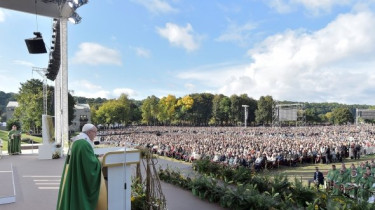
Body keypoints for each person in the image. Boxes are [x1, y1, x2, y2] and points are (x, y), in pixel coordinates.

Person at [57, 123, 106, 210]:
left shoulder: (78, 141)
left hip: (76, 173)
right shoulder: (84, 144)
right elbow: (91, 164)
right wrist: (101, 160)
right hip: (81, 177)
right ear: (89, 132)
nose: (96, 135)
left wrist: (96, 156)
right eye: (95, 132)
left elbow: (85, 158)